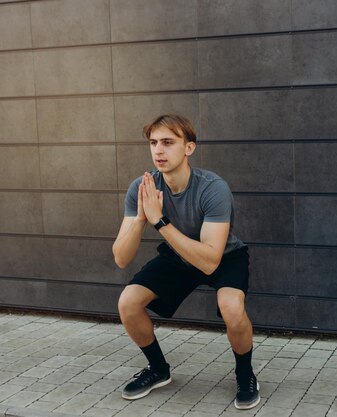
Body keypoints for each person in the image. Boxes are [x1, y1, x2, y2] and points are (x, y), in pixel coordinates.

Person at [112, 114, 259, 410]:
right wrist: (141, 219)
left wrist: (160, 221)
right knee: (128, 302)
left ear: (188, 148)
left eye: (168, 142)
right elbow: (121, 258)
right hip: (177, 256)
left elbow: (209, 261)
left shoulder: (212, 188)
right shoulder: (142, 188)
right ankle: (158, 369)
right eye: (153, 143)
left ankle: (245, 373)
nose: (158, 150)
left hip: (222, 257)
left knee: (232, 308)